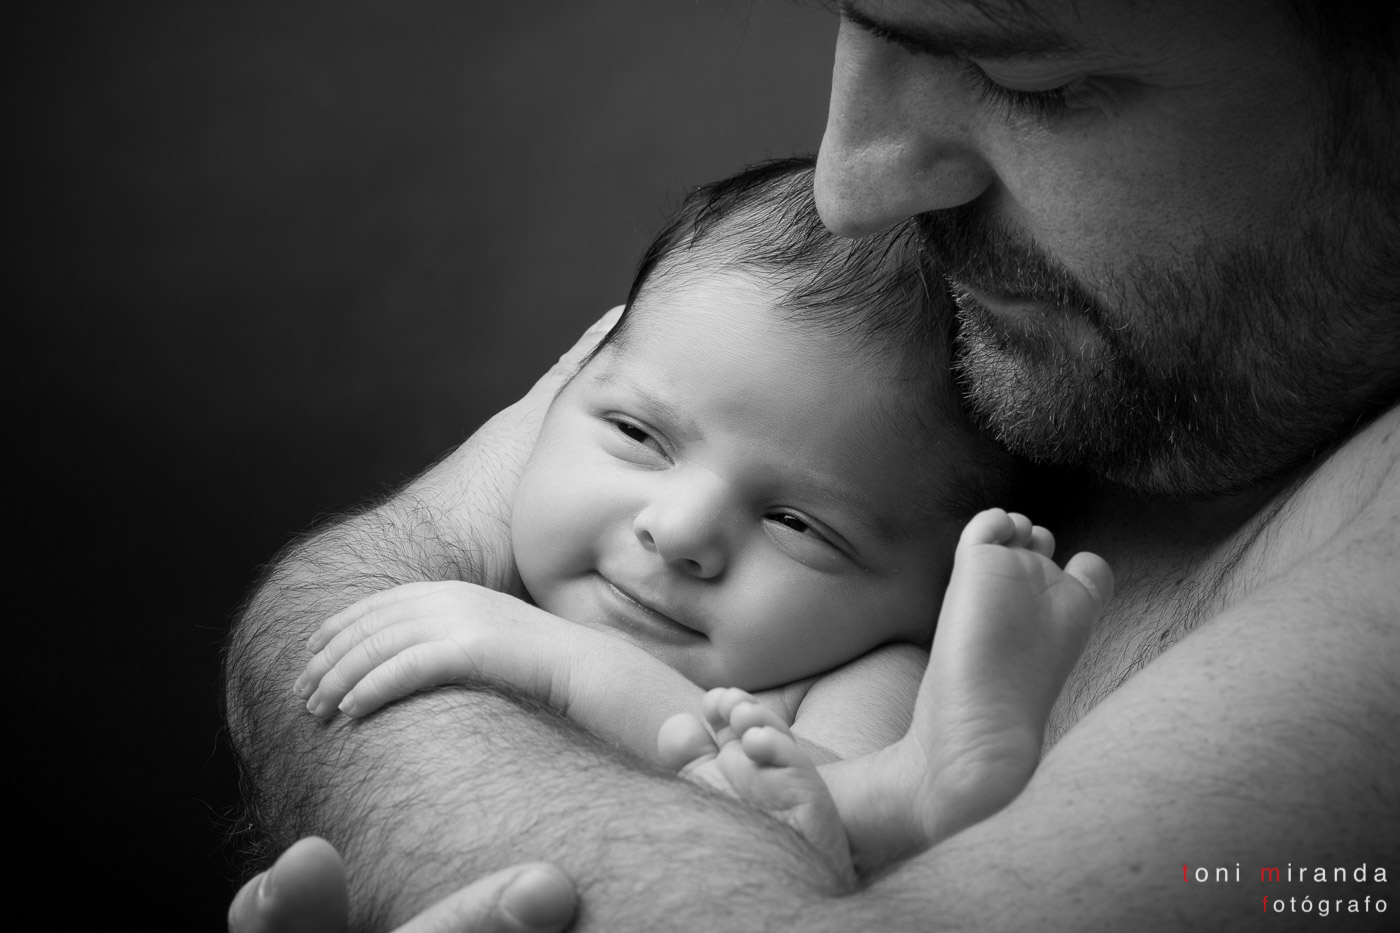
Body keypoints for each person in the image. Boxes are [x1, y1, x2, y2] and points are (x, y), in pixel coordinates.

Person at [225, 0, 1400, 930]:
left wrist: (447, 738)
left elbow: (367, 649)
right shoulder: (878, 326)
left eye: (1030, 78)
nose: (848, 188)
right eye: (853, 18)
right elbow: (328, 620)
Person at [290, 159, 1112, 877]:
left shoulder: (862, 674)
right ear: (566, 380)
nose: (679, 531)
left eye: (796, 523)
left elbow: (816, 808)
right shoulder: (498, 565)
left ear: (937, 592)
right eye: (638, 434)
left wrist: (562, 664)